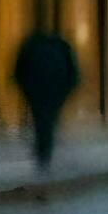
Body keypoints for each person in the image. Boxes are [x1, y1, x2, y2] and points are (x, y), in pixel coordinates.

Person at [14, 31, 80, 169]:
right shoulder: (61, 46)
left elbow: (19, 71)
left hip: (36, 90)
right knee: (48, 120)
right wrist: (66, 91)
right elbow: (73, 74)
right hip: (56, 89)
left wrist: (25, 90)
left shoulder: (31, 45)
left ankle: (42, 153)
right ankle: (45, 152)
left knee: (40, 120)